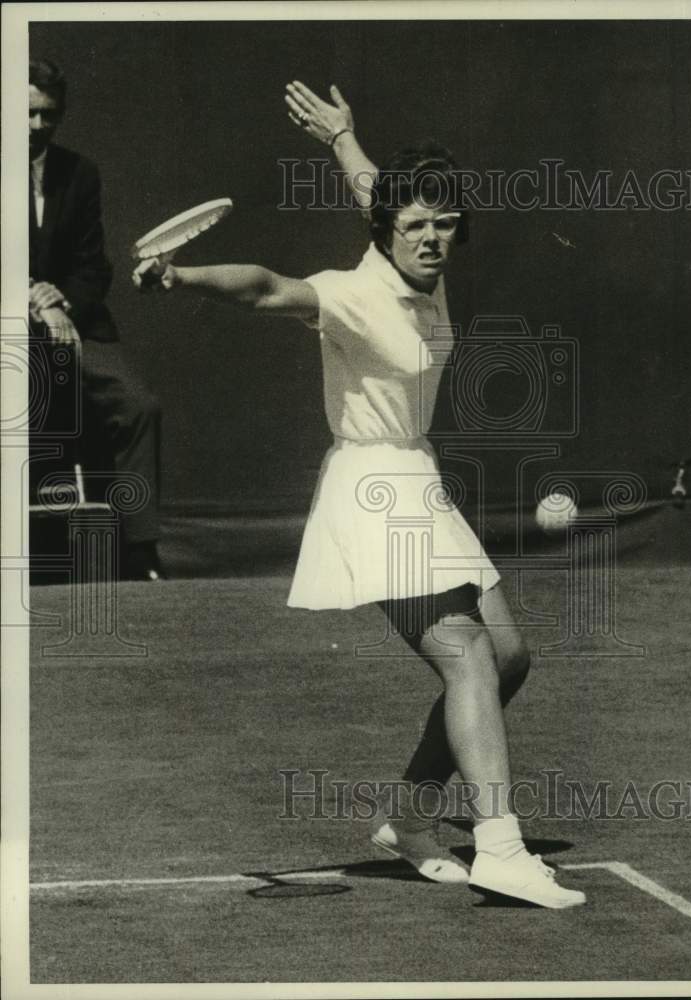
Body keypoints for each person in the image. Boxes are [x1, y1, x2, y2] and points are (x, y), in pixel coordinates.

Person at [133, 81, 585, 909]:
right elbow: (267, 286)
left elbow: (378, 192)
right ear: (386, 236)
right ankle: (501, 848)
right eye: (416, 226)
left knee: (508, 658)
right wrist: (181, 275)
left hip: (419, 476)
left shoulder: (426, 268)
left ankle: (409, 823)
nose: (432, 238)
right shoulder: (349, 294)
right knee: (467, 654)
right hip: (372, 490)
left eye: (445, 223)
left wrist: (342, 138)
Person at [29, 58, 165, 581]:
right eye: (28, 114)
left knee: (139, 407)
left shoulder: (80, 173)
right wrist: (32, 300)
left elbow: (92, 265)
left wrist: (60, 304)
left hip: (76, 324)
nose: (39, 127)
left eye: (50, 115)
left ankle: (141, 550)